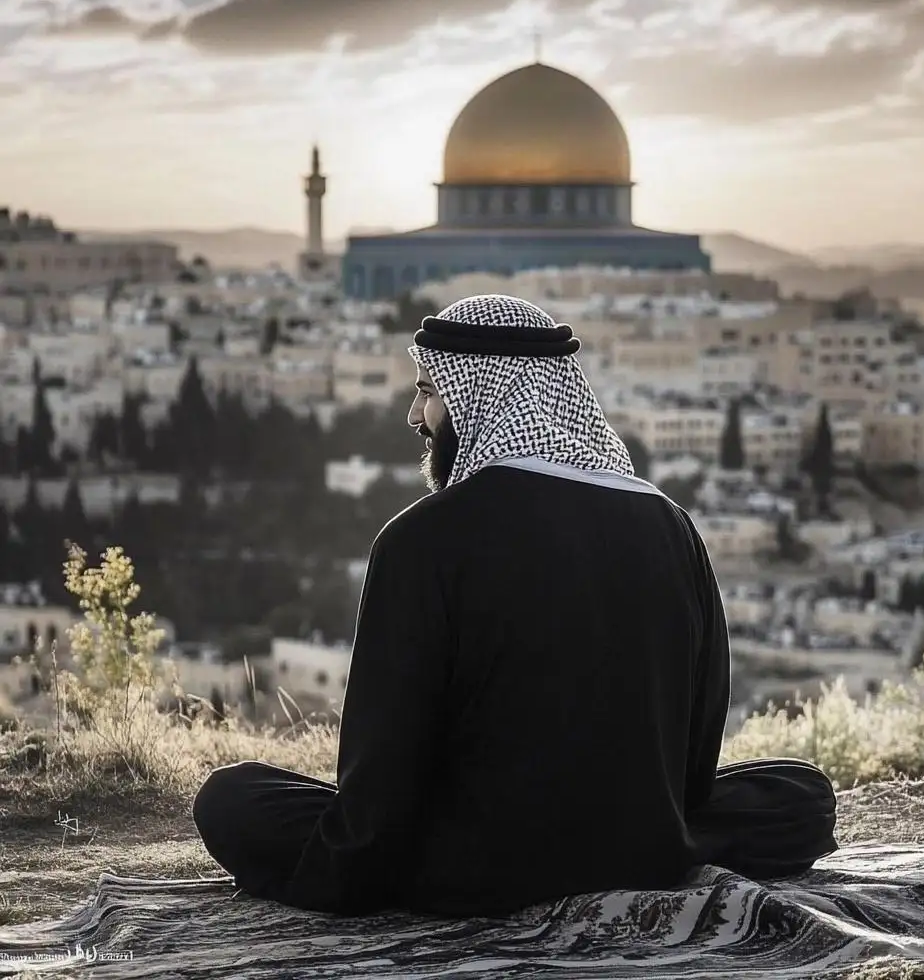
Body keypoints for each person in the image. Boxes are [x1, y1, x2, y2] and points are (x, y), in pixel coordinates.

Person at [191, 294, 836, 916]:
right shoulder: (673, 527)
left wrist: (354, 866)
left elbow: (380, 777)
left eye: (427, 390)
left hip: (473, 871)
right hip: (644, 850)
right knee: (801, 794)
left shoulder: (420, 541)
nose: (415, 416)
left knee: (230, 799)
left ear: (477, 395)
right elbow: (695, 754)